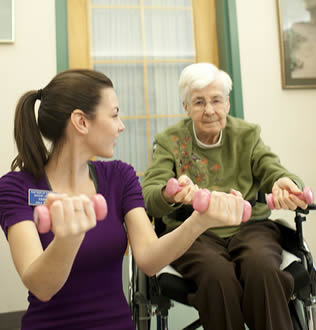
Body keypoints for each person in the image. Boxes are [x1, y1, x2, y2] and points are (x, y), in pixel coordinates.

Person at [0, 69, 246, 330]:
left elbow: (150, 260)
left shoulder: (119, 177)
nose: (121, 125)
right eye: (115, 114)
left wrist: (200, 221)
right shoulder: (16, 188)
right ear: (81, 122)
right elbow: (41, 287)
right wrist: (68, 239)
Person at [142, 62, 309, 330]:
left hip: (251, 228)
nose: (209, 110)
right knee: (218, 277)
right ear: (186, 107)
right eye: (198, 102)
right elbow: (150, 195)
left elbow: (271, 168)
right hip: (194, 233)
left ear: (227, 104)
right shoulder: (170, 141)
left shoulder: (247, 135)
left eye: (216, 100)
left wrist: (285, 183)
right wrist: (170, 192)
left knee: (263, 270)